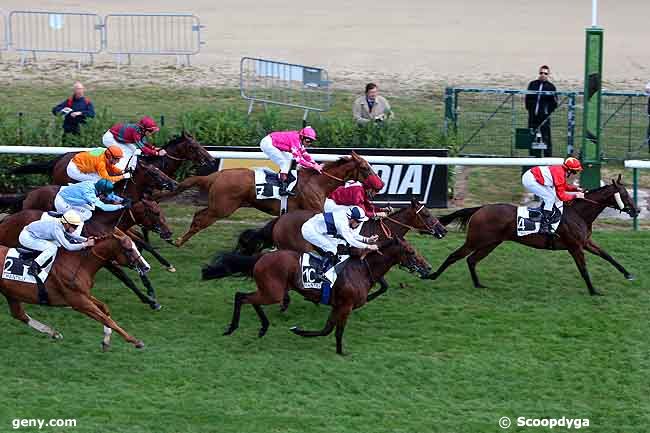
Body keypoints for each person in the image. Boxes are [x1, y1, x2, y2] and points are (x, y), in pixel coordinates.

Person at [18, 209, 95, 298]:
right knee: (52, 247)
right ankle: (34, 266)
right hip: (27, 237)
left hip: (33, 233)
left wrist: (86, 239)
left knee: (55, 245)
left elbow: (71, 235)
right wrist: (85, 244)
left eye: (77, 226)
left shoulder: (61, 224)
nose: (76, 228)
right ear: (66, 224)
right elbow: (68, 246)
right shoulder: (56, 229)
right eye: (74, 226)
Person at [301, 206, 379, 278]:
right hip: (310, 230)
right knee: (332, 249)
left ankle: (325, 264)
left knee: (334, 248)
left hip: (317, 228)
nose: (359, 224)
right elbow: (351, 241)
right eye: (359, 221)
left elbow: (351, 234)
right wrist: (368, 246)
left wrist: (367, 240)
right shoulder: (342, 224)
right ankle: (319, 272)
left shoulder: (346, 219)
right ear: (352, 219)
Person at [521, 157, 584, 234]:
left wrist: (576, 189)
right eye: (575, 171)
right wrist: (576, 196)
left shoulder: (561, 170)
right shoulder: (560, 174)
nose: (576, 173)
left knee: (551, 196)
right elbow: (561, 196)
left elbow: (563, 186)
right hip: (530, 180)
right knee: (550, 198)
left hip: (533, 176)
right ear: (569, 170)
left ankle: (541, 214)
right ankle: (543, 226)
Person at [259, 126, 323, 196]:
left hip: (273, 143)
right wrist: (313, 166)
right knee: (284, 163)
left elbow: (305, 155)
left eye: (311, 141)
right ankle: (282, 189)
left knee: (289, 159)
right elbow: (299, 160)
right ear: (302, 137)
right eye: (308, 141)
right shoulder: (295, 140)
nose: (309, 143)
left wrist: (315, 164)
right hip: (268, 143)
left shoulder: (300, 141)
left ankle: (284, 178)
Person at [53, 179, 129, 237]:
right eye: (104, 194)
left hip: (71, 196)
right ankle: (72, 234)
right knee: (87, 214)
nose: (106, 197)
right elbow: (103, 207)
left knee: (89, 208)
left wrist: (121, 200)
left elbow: (109, 195)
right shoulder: (89, 193)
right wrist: (121, 206)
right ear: (100, 191)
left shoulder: (95, 184)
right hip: (62, 202)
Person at [524, 66, 558, 157]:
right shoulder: (532, 84)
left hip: (544, 118)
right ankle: (533, 157)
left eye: (545, 73)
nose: (543, 75)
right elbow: (527, 99)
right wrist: (530, 109)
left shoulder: (551, 87)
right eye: (541, 73)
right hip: (533, 116)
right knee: (532, 137)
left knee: (546, 138)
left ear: (548, 75)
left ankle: (548, 158)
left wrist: (547, 112)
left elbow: (554, 103)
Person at [324, 174, 392, 219]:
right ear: (370, 188)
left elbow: (367, 205)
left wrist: (381, 209)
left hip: (334, 201)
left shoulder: (362, 189)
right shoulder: (358, 193)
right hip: (330, 205)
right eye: (376, 191)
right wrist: (377, 214)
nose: (377, 193)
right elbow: (364, 212)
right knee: (360, 216)